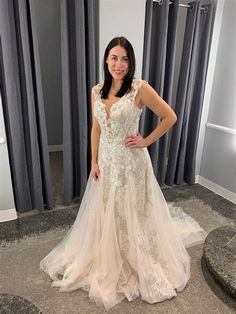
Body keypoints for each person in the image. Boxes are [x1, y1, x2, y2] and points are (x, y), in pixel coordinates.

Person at [40, 36, 206, 311]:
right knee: (108, 211)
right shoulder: (96, 91)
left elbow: (170, 116)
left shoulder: (139, 89)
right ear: (106, 59)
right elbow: (96, 129)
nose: (119, 64)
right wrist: (93, 160)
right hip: (106, 162)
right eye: (114, 57)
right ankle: (108, 253)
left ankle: (134, 258)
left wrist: (145, 141)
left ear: (130, 63)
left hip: (131, 165)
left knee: (132, 213)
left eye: (125, 59)